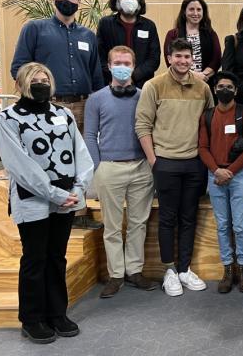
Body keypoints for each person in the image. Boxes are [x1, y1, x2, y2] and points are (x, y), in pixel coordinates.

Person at [0, 62, 94, 344]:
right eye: (35, 80)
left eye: (45, 79)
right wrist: (57, 194)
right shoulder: (8, 119)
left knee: (56, 257)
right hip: (33, 199)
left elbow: (81, 152)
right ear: (22, 84)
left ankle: (56, 313)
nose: (41, 84)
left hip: (66, 197)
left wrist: (78, 187)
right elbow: (21, 167)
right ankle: (32, 318)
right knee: (35, 259)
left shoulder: (62, 113)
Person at [10, 0, 103, 231]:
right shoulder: (35, 29)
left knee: (80, 161)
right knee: (49, 159)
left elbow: (96, 76)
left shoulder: (88, 36)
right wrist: (36, 97)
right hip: (48, 107)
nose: (67, 1)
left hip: (83, 106)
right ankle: (48, 210)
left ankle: (78, 210)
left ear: (79, 2)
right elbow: (19, 68)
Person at [135, 38, 213, 297]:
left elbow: (211, 122)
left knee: (189, 217)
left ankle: (184, 268)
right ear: (169, 58)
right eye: (177, 56)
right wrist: (154, 161)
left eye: (187, 57)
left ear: (193, 60)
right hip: (165, 162)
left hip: (194, 163)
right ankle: (169, 270)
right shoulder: (153, 86)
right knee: (167, 218)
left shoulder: (202, 88)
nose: (182, 61)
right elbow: (142, 125)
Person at [84, 46, 158, 298]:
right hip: (109, 167)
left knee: (138, 223)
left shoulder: (144, 95)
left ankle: (134, 270)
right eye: (118, 62)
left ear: (134, 67)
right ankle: (116, 274)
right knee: (113, 227)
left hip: (140, 167)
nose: (122, 66)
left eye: (127, 62)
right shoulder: (96, 99)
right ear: (109, 65)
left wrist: (151, 162)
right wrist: (97, 167)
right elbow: (90, 135)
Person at [199, 71, 243, 294]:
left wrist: (229, 171)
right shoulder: (207, 115)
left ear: (235, 90)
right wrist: (216, 170)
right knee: (223, 225)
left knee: (240, 226)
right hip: (214, 176)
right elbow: (202, 148)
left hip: (239, 175)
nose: (225, 90)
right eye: (221, 86)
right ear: (215, 89)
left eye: (229, 87)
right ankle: (228, 270)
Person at [96, 0, 160, 89]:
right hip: (111, 85)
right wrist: (116, 76)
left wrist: (133, 76)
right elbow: (99, 56)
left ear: (139, 1)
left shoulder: (149, 26)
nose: (129, 0)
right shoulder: (105, 24)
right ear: (117, 1)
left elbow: (154, 59)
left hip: (142, 86)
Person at [163, 0, 221, 85]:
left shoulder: (211, 34)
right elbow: (170, 61)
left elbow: (216, 60)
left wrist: (202, 76)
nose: (195, 13)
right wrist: (193, 75)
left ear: (203, 12)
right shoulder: (172, 34)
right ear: (184, 12)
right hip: (179, 83)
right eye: (191, 9)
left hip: (205, 82)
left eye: (199, 10)